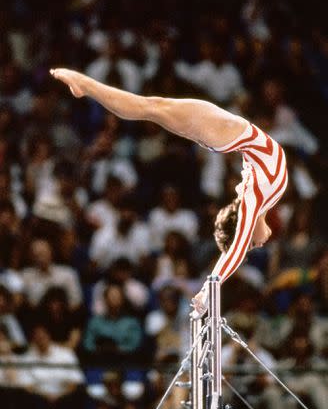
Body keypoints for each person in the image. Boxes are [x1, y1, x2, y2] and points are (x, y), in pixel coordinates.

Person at [50, 68, 288, 313]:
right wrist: (211, 287)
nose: (257, 245)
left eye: (251, 244)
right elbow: (238, 248)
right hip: (218, 130)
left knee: (148, 108)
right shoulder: (262, 199)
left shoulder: (256, 198)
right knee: (148, 108)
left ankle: (86, 86)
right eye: (251, 244)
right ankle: (85, 86)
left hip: (216, 131)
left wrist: (211, 286)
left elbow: (240, 245)